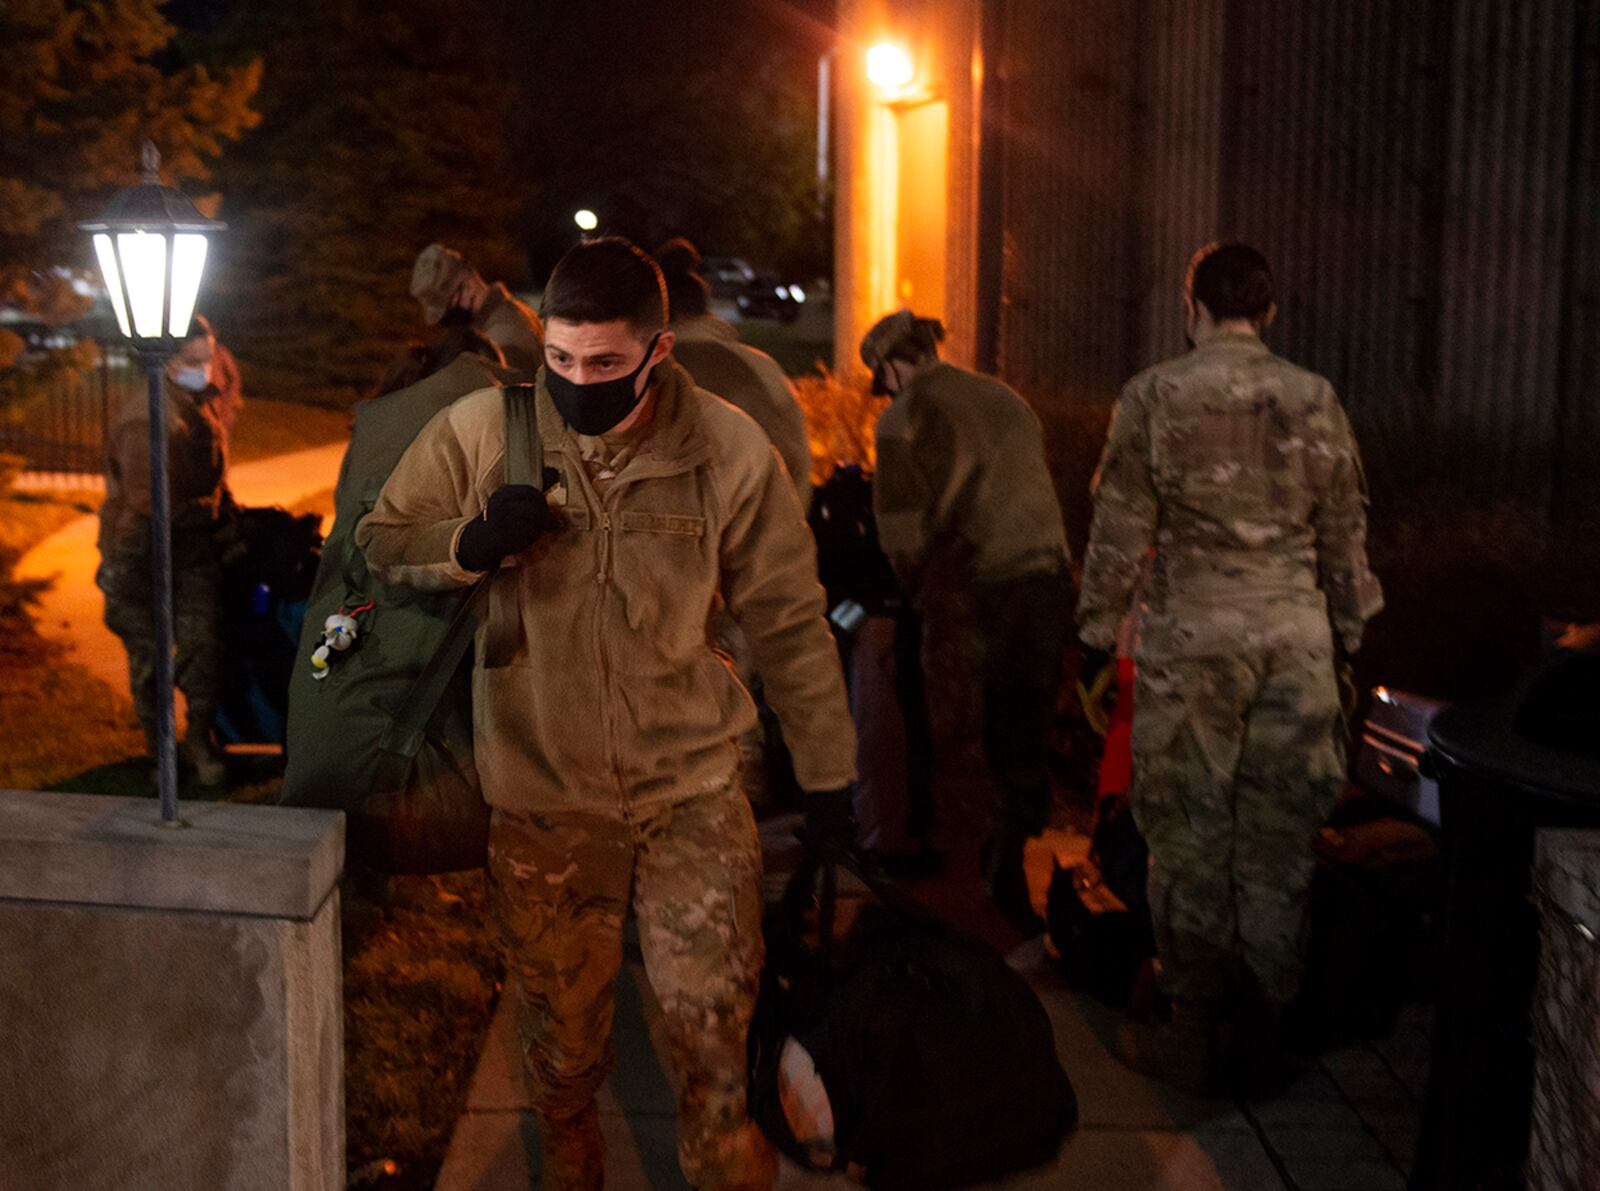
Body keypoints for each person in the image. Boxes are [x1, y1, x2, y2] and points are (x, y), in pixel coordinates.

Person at [358, 237, 856, 1191]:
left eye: (605, 364)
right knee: (563, 1047)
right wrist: (471, 538)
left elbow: (789, 619)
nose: (578, 382)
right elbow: (382, 540)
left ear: (658, 351)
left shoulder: (726, 448)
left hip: (691, 792)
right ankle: (570, 1163)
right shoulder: (485, 431)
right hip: (544, 798)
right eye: (560, 359)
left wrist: (828, 771)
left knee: (714, 1045)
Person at [1076, 242, 1384, 1093]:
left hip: (1193, 650)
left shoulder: (1154, 397)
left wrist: (1097, 633)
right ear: (1270, 312)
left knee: (1187, 835)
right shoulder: (1315, 400)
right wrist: (1349, 638)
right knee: (1281, 841)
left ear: (1192, 307)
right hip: (1296, 648)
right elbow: (1345, 537)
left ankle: (1193, 1029)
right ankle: (1268, 1027)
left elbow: (1116, 532)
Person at [860, 309, 1072, 933]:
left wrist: (912, 586)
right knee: (1024, 732)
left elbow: (901, 536)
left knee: (959, 735)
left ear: (895, 363)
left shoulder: (903, 419)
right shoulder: (1004, 398)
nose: (887, 388)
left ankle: (963, 893)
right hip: (1046, 581)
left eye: (884, 376)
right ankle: (1014, 853)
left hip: (973, 593)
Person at [96, 314, 230, 785]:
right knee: (150, 655)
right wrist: (210, 513)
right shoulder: (146, 419)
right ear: (168, 362)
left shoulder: (197, 403)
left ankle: (199, 743)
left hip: (189, 548)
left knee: (203, 643)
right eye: (194, 361)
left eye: (207, 357)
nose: (205, 367)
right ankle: (162, 754)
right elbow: (148, 503)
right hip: (139, 555)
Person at [655, 238, 812, 510]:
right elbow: (796, 461)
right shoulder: (761, 368)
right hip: (763, 533)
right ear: (705, 309)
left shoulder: (644, 375)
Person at [410, 243, 546, 378]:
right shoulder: (506, 313)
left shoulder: (502, 338)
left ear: (468, 286)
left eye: (449, 307)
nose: (448, 319)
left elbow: (512, 396)